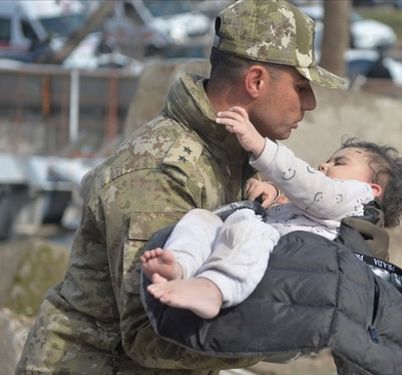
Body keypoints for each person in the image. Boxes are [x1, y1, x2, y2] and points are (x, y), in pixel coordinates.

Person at [17, 0, 346, 372]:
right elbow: (150, 334)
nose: (311, 103)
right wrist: (306, 330)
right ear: (255, 81)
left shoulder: (233, 154)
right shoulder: (162, 171)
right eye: (301, 86)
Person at [140, 106, 402, 319]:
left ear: (372, 189)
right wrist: (273, 195)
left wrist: (260, 146)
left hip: (285, 265)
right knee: (202, 219)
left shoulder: (355, 198)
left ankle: (214, 290)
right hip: (255, 246)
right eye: (328, 159)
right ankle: (179, 265)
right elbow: (305, 203)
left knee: (250, 229)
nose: (323, 165)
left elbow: (312, 189)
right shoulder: (326, 202)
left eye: (339, 162)